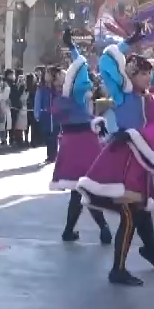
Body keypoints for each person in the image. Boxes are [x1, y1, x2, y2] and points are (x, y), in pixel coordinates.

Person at [77, 25, 154, 287]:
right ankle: (118, 269)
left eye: (149, 73)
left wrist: (133, 135)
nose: (148, 78)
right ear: (131, 76)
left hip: (139, 161)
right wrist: (127, 43)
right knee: (130, 214)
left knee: (142, 211)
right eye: (142, 74)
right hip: (119, 161)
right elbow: (107, 62)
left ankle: (149, 251)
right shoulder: (122, 94)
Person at [49, 31, 112, 245]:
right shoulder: (75, 94)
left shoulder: (62, 98)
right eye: (61, 74)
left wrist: (72, 48)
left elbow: (80, 67)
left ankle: (71, 230)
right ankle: (101, 228)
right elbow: (81, 66)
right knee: (85, 187)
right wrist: (72, 48)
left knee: (79, 189)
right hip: (85, 142)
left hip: (71, 144)